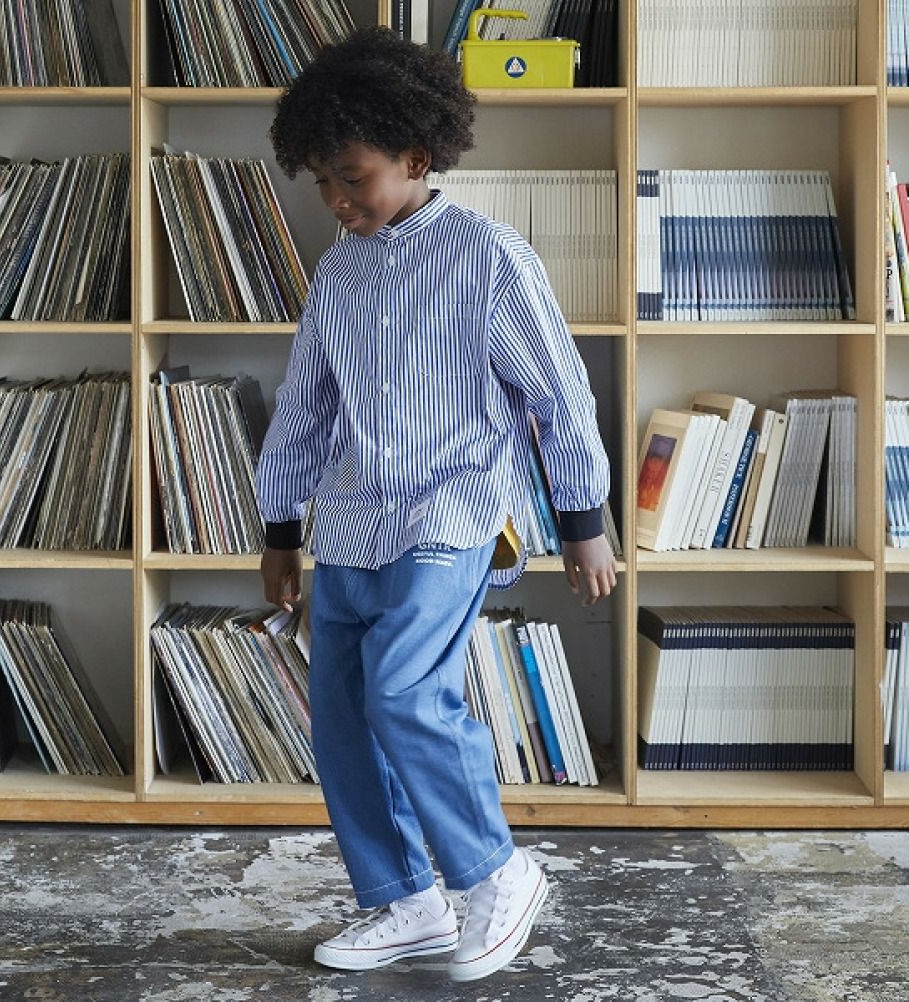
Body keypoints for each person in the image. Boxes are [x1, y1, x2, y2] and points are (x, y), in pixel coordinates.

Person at [256, 26, 615, 983]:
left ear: (417, 158)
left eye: (354, 179)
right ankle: (405, 898)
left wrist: (584, 521)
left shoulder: (490, 258)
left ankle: (497, 872)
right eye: (323, 182)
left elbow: (557, 392)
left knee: (406, 692)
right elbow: (305, 408)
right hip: (352, 520)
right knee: (341, 713)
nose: (338, 201)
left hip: (451, 514)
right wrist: (281, 528)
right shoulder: (337, 273)